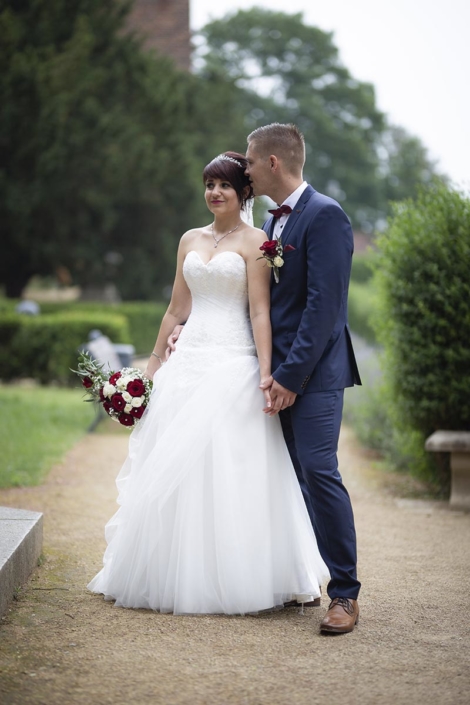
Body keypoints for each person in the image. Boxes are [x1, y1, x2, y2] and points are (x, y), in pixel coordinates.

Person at [88, 152, 329, 615]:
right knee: (173, 460)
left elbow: (259, 310)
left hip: (233, 361)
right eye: (208, 184)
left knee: (232, 466)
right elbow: (177, 309)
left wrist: (264, 371)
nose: (214, 193)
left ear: (243, 192)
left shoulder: (257, 241)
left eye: (224, 185)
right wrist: (153, 366)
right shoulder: (189, 240)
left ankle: (242, 574)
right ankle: (171, 572)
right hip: (188, 361)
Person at [247, 123, 362, 634]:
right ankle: (304, 578)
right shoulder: (272, 224)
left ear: (273, 163)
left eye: (250, 161)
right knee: (291, 478)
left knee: (319, 471)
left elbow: (324, 309)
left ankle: (345, 594)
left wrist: (289, 376)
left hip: (314, 375)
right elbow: (267, 302)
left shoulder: (325, 214)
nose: (246, 170)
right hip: (280, 374)